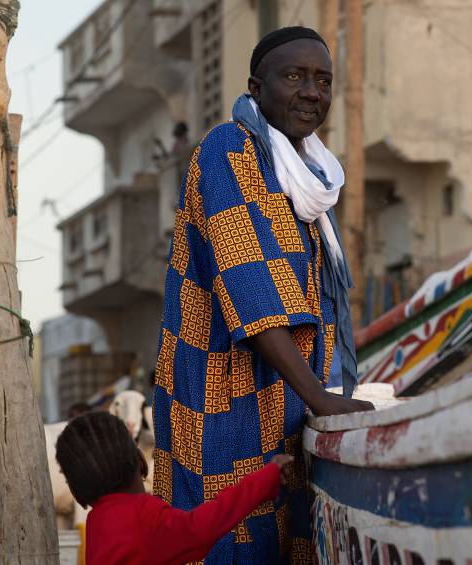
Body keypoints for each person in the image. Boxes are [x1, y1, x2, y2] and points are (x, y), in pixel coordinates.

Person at [153, 26, 373, 563]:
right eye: (295, 76)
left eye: (323, 80)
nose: (311, 92)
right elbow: (256, 297)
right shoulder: (228, 152)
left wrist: (317, 401)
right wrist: (324, 400)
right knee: (227, 544)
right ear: (257, 86)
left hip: (286, 411)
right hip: (220, 407)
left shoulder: (310, 176)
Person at [55, 411, 294, 565]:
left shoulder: (97, 522)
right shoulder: (142, 515)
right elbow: (200, 529)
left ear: (78, 492)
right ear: (140, 460)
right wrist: (265, 480)